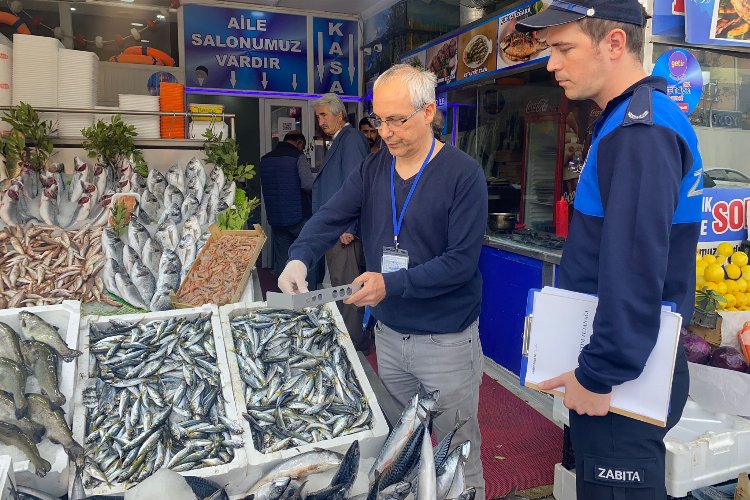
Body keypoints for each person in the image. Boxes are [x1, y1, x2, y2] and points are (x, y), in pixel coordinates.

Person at [516, 2, 703, 499]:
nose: (551, 63)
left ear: (615, 43)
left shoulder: (639, 131)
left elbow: (636, 268)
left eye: (563, 47)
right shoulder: (631, 120)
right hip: (626, 365)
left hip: (624, 376)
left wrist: (600, 375)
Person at [279, 64, 487, 499]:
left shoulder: (463, 174)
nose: (386, 132)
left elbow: (460, 263)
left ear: (428, 111)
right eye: (378, 119)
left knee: (457, 458)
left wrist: (391, 285)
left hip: (445, 342)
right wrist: (299, 258)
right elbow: (329, 217)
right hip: (390, 340)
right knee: (399, 453)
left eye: (397, 120)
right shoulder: (374, 170)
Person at [311, 93, 371, 352]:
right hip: (334, 230)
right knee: (340, 286)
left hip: (343, 232)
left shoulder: (352, 139)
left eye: (324, 115)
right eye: (318, 117)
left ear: (339, 114)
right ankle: (346, 337)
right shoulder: (340, 140)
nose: (320, 121)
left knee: (348, 289)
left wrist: (349, 228)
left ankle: (354, 344)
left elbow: (357, 186)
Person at [259, 131, 316, 280]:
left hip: (275, 216)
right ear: (298, 143)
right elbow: (308, 185)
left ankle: (282, 295)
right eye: (302, 146)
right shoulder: (297, 156)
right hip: (298, 216)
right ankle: (306, 290)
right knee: (304, 253)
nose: (302, 150)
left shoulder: (265, 159)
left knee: (282, 257)